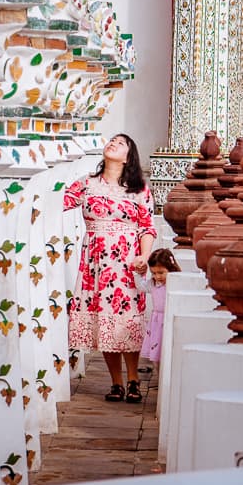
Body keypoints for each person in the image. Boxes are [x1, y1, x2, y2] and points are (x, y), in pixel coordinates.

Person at [63, 134, 156, 404]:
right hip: (95, 261)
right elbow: (54, 203)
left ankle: (134, 379)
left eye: (120, 143)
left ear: (128, 156)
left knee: (128, 321)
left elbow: (147, 227)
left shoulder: (138, 189)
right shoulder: (86, 184)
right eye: (111, 140)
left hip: (126, 261)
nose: (113, 144)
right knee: (103, 322)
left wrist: (144, 256)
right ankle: (116, 382)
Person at [140, 249, 179, 367]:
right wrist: (137, 273)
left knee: (167, 350)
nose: (157, 276)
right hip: (157, 321)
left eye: (161, 272)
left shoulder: (175, 283)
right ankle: (159, 379)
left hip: (168, 320)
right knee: (156, 354)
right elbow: (141, 286)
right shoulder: (153, 283)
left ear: (170, 269)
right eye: (154, 273)